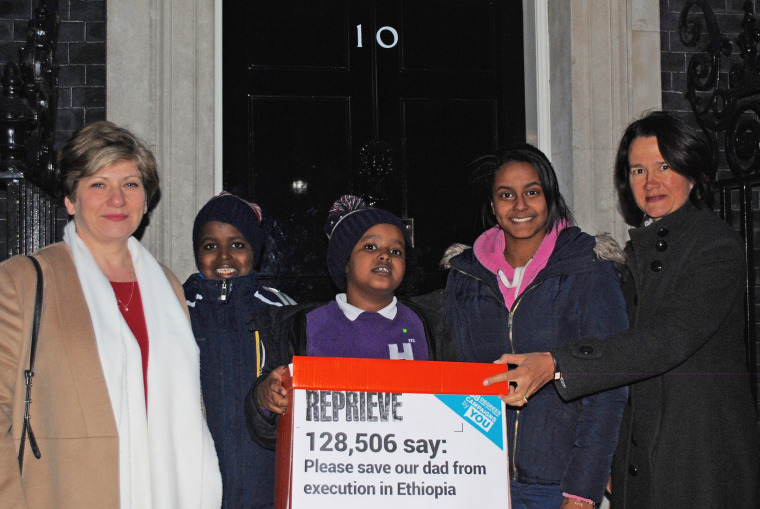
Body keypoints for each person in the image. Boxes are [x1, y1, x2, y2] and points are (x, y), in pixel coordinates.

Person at [485, 112, 760, 508]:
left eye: (664, 166)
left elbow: (665, 341)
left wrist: (556, 362)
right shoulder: (636, 252)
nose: (650, 182)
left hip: (699, 464)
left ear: (692, 171)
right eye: (638, 170)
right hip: (643, 464)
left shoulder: (714, 246)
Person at [0, 121, 222, 508]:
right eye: (99, 184)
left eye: (130, 184)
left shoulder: (168, 288)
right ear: (71, 199)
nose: (117, 200)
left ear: (147, 198)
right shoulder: (23, 281)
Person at [442, 144, 628, 509]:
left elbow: (609, 384)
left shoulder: (588, 267)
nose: (520, 205)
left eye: (532, 192)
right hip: (479, 478)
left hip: (558, 485)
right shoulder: (465, 276)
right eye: (506, 195)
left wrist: (581, 492)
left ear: (550, 197)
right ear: (493, 208)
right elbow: (448, 372)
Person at [245, 195, 456, 447]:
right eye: (370, 247)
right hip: (332, 478)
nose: (385, 256)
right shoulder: (300, 326)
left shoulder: (432, 322)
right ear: (345, 263)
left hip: (412, 475)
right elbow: (268, 433)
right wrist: (264, 399)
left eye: (396, 250)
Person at [183, 192, 294, 509]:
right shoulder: (175, 310)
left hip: (266, 487)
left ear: (254, 251)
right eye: (210, 246)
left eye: (237, 244)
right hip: (195, 488)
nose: (223, 256)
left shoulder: (282, 312)